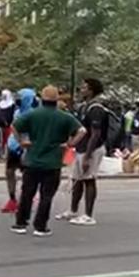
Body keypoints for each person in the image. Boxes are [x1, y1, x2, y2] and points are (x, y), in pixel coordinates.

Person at [10, 86, 85, 238]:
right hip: (53, 162)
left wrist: (22, 142)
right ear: (57, 99)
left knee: (27, 193)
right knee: (47, 195)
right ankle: (40, 226)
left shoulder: (33, 114)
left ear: (41, 99)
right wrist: (70, 144)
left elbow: (14, 126)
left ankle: (21, 223)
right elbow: (82, 131)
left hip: (32, 160)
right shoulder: (64, 117)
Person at [57, 78, 106, 226]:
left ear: (91, 90)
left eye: (84, 87)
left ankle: (89, 215)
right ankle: (73, 210)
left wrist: (87, 156)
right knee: (77, 180)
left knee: (89, 179)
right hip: (81, 148)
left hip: (92, 149)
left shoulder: (96, 108)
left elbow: (95, 134)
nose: (81, 90)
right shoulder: (85, 106)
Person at [2, 88, 37, 213]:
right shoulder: (17, 113)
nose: (18, 100)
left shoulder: (34, 114)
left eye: (20, 97)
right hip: (13, 146)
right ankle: (12, 199)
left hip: (26, 147)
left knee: (27, 174)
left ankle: (26, 198)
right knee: (9, 172)